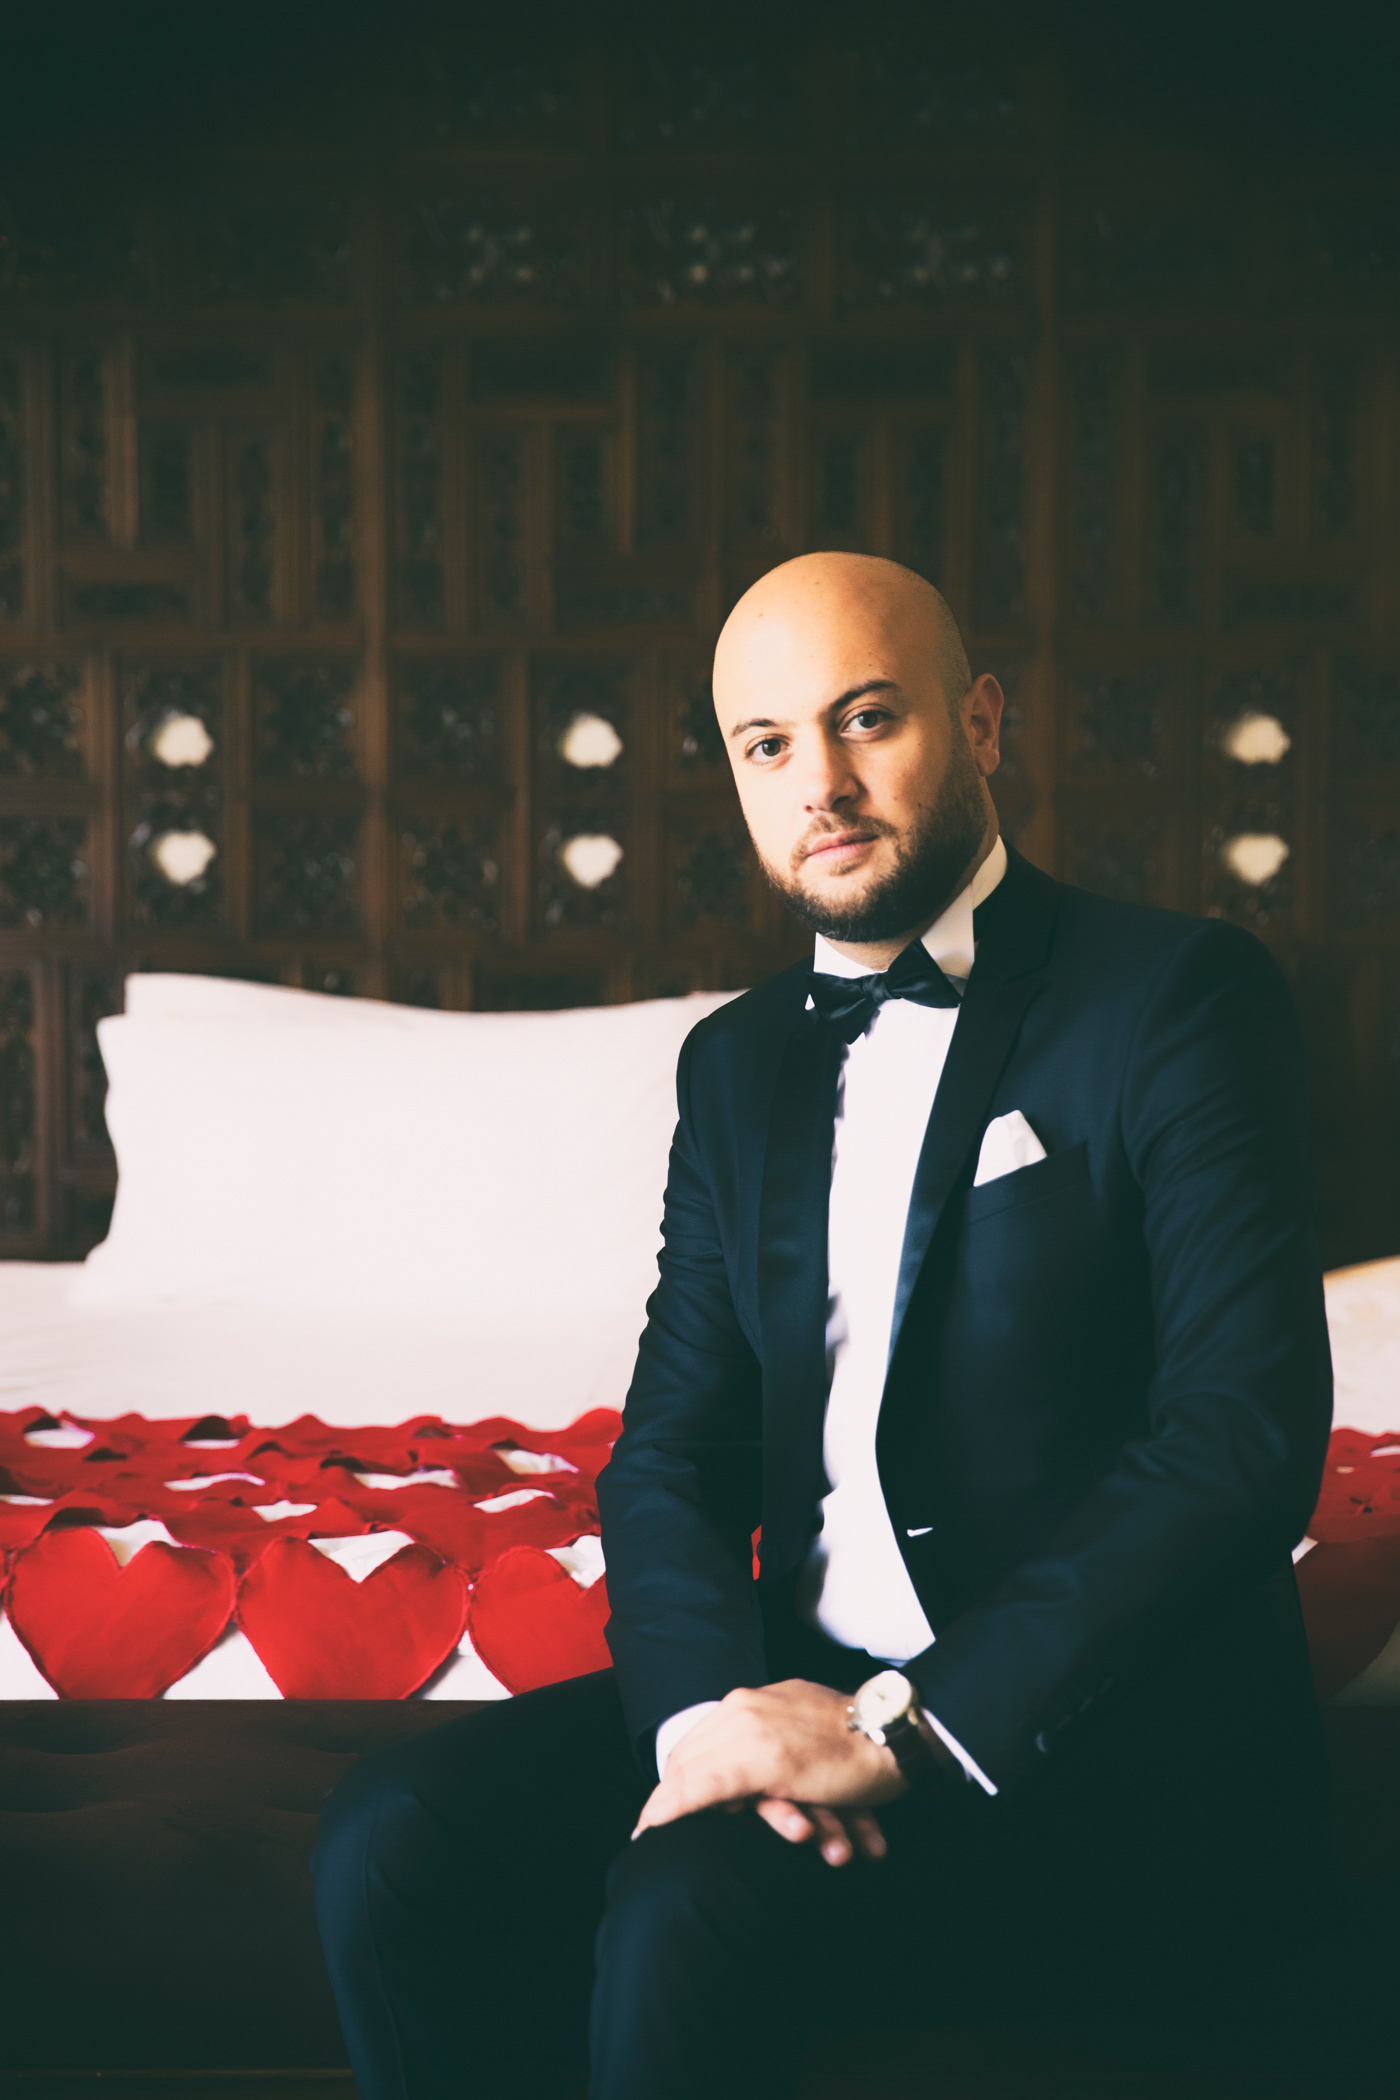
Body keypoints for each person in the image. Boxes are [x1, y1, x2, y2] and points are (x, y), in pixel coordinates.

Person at [313, 554, 1333, 2100]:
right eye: (769, 743)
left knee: (685, 1911)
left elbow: (1239, 1441)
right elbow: (670, 1455)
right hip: (799, 1685)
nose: (823, 784)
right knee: (387, 1841)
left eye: (868, 719)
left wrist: (903, 1733)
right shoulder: (735, 1065)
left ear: (978, 723)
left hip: (1081, 1735)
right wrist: (703, 1732)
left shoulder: (1179, 996)